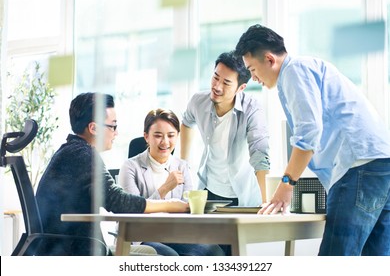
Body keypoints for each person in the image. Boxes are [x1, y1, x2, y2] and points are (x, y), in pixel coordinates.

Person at [235, 24, 390, 256]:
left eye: (252, 69)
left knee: (334, 259)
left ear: (269, 59)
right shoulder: (310, 67)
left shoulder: (294, 71)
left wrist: (286, 184)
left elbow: (309, 132)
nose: (254, 78)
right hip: (380, 163)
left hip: (359, 166)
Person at [36, 92, 188, 256]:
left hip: (66, 246)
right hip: (72, 250)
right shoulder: (83, 155)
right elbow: (118, 201)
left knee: (157, 253)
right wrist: (170, 203)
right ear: (93, 128)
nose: (116, 133)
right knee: (167, 258)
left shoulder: (71, 151)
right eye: (112, 126)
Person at [119, 108, 225, 256]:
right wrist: (165, 188)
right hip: (142, 236)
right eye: (158, 136)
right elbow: (133, 212)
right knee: (171, 258)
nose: (165, 142)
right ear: (146, 137)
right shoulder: (130, 167)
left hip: (176, 234)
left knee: (213, 251)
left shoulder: (182, 166)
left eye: (171, 135)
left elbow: (187, 207)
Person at [180, 51, 270, 207]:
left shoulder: (252, 109)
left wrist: (266, 201)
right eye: (215, 77)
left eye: (226, 83)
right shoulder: (198, 102)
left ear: (240, 87)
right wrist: (183, 165)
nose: (217, 86)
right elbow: (187, 122)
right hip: (208, 189)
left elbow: (260, 156)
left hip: (241, 193)